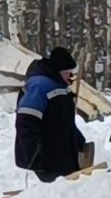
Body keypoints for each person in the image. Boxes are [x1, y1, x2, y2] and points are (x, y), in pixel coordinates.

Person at [14, 46, 86, 183]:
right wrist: (34, 156)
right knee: (58, 195)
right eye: (68, 74)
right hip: (47, 159)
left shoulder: (60, 87)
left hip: (62, 154)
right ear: (59, 71)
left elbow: (65, 122)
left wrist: (78, 141)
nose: (71, 78)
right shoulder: (40, 87)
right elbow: (25, 123)